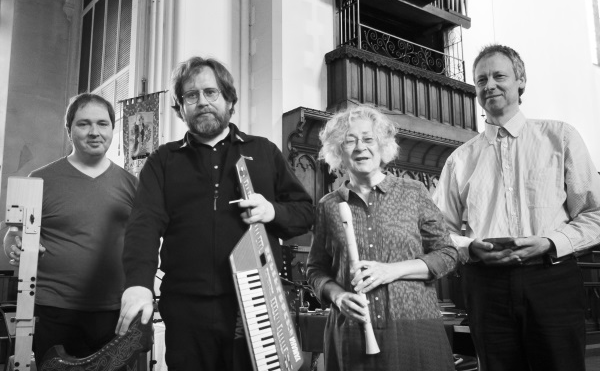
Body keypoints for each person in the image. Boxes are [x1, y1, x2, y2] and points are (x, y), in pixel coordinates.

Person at [115, 56, 314, 371]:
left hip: (257, 305)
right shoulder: (162, 161)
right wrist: (138, 283)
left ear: (229, 100)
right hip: (186, 306)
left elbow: (305, 213)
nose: (202, 102)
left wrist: (272, 210)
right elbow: (144, 226)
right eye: (191, 96)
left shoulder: (264, 152)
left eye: (211, 92)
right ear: (180, 108)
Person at [433, 44, 600, 371]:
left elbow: (595, 214)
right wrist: (471, 248)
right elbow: (439, 231)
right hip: (486, 284)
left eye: (499, 76)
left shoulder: (560, 137)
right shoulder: (460, 160)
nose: (489, 85)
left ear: (520, 80)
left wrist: (550, 242)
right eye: (481, 80)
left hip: (550, 277)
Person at [306, 105, 458, 371]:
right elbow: (315, 270)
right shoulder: (328, 205)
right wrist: (338, 296)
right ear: (338, 151)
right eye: (349, 140)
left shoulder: (413, 192)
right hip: (351, 332)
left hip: (414, 328)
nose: (359, 147)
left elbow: (447, 253)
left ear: (383, 146)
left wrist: (391, 271)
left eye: (368, 138)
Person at [3, 93, 138, 365]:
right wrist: (14, 244)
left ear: (113, 129)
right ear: (69, 130)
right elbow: (13, 233)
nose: (94, 132)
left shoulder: (132, 184)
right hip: (54, 309)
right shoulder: (40, 179)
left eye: (102, 124)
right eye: (83, 124)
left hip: (113, 310)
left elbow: (143, 241)